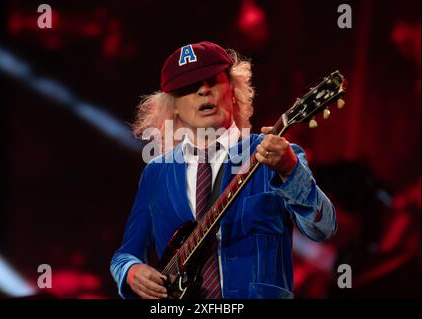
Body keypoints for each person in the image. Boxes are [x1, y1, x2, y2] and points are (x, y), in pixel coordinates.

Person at [110, 41, 337, 299]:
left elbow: (324, 228)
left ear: (234, 89)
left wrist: (291, 171)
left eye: (212, 81)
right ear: (172, 105)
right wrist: (130, 270)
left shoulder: (278, 154)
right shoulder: (156, 173)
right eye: (189, 88)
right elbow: (126, 253)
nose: (204, 91)